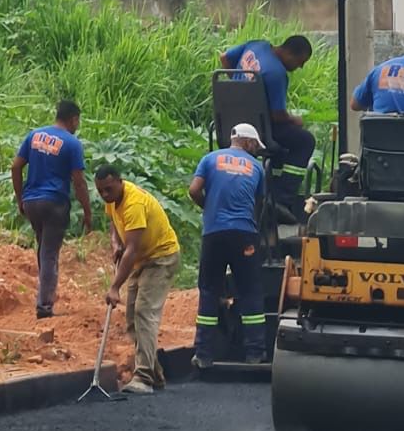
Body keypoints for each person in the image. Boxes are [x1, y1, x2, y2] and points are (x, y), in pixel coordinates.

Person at [94, 165, 180, 397]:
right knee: (132, 316)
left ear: (120, 182)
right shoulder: (112, 199)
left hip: (161, 257)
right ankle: (155, 373)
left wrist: (114, 287)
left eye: (108, 190)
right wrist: (115, 242)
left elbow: (131, 250)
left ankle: (143, 377)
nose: (104, 195)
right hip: (142, 259)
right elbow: (114, 221)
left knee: (144, 312)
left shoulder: (134, 204)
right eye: (100, 191)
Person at [188, 122, 268, 371]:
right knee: (250, 291)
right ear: (247, 141)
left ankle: (203, 354)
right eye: (255, 145)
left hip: (214, 233)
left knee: (210, 290)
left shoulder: (209, 159)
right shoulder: (256, 167)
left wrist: (209, 208)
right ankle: (255, 352)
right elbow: (259, 202)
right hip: (244, 234)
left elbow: (193, 190)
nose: (256, 150)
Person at [11, 99, 92, 320]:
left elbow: (16, 166)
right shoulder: (72, 143)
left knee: (43, 247)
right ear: (73, 119)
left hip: (32, 201)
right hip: (55, 202)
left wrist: (21, 198)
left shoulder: (34, 135)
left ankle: (43, 295)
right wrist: (87, 211)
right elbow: (79, 181)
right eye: (78, 121)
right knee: (49, 253)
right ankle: (44, 306)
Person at [221, 35, 316, 174]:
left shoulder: (256, 45)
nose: (300, 67)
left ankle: (272, 177)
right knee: (305, 141)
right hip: (260, 130)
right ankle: (284, 190)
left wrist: (240, 86)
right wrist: (294, 119)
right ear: (290, 54)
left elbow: (224, 58)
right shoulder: (276, 73)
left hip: (229, 123)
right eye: (300, 61)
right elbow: (277, 116)